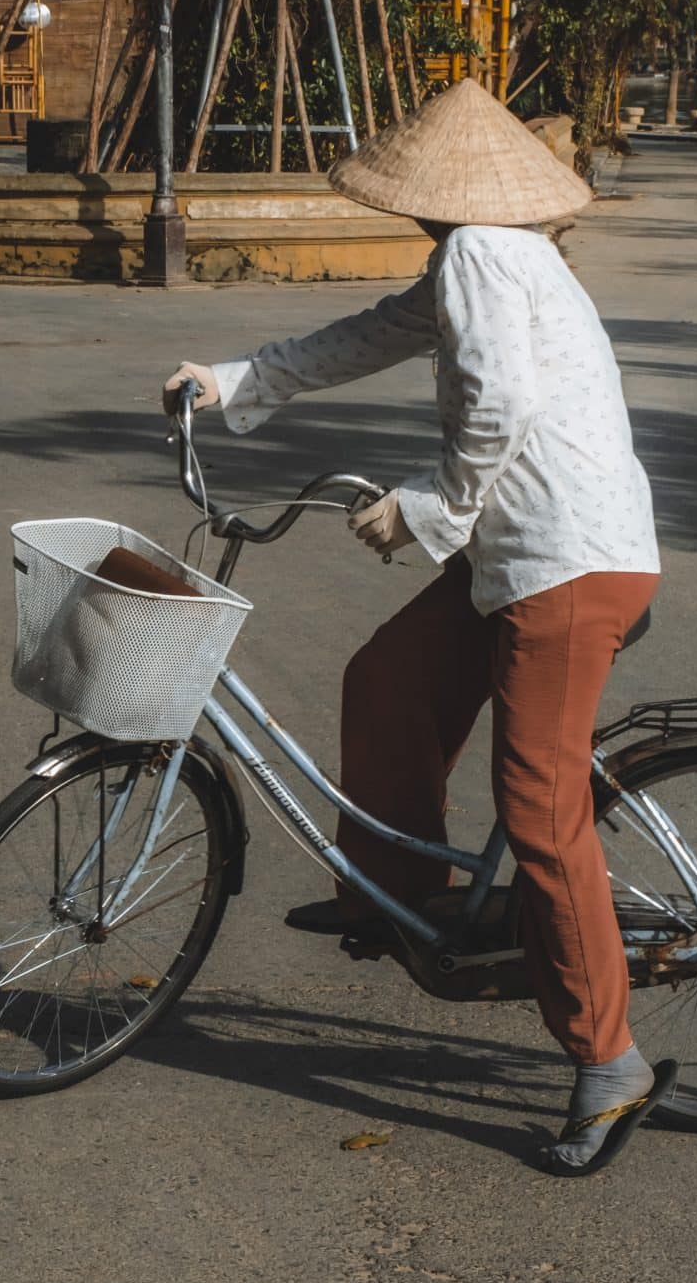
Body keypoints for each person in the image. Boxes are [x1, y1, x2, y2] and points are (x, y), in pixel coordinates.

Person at [162, 78, 670, 1180]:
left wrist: (429, 507)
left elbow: (494, 407)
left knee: (539, 804)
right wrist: (237, 379)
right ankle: (395, 901)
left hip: (565, 560)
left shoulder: (487, 253)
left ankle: (609, 1059)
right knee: (386, 678)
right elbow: (369, 334)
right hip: (526, 550)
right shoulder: (475, 257)